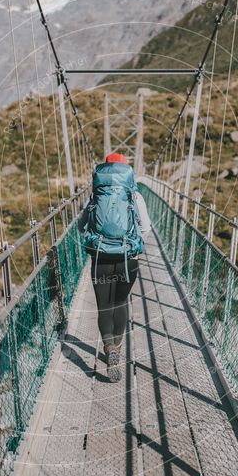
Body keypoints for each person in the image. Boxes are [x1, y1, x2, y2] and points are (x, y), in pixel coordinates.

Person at [78, 153, 151, 382]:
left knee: (104, 306)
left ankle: (108, 348)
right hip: (127, 259)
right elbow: (146, 228)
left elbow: (81, 227)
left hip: (100, 258)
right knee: (120, 302)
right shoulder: (134, 195)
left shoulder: (96, 195)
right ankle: (117, 351)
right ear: (127, 172)